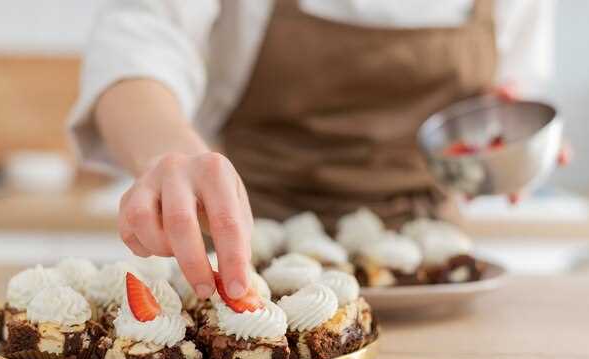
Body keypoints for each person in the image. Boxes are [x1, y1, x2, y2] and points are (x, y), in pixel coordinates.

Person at [69, 0, 555, 300]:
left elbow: (513, 86)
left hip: (434, 275)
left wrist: (501, 140)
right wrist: (167, 155)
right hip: (254, 263)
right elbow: (140, 40)